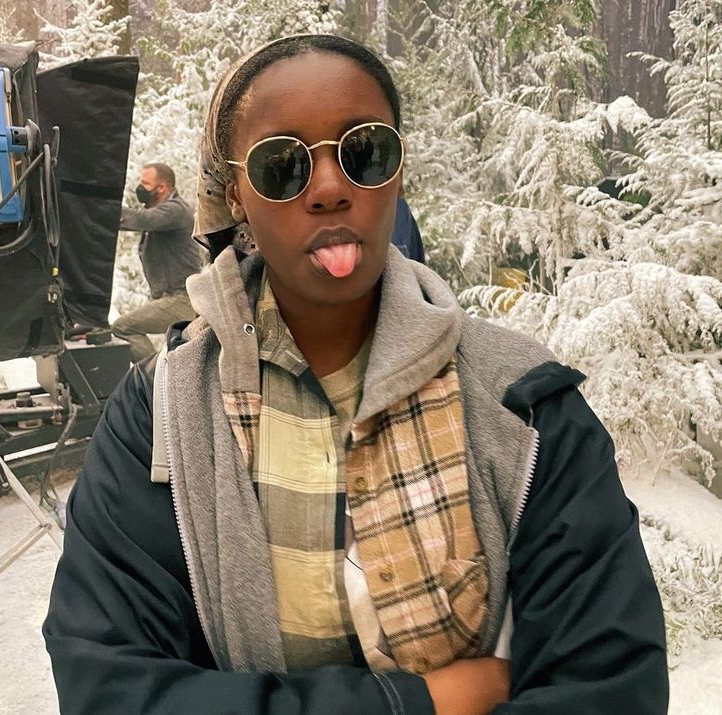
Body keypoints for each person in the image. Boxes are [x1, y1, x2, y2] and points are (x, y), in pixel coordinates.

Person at [43, 35, 668, 715]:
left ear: (396, 175)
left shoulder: (521, 402)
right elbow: (108, 687)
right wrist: (418, 702)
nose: (332, 190)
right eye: (282, 167)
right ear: (237, 199)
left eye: (364, 152)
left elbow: (608, 686)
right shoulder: (161, 417)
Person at [111, 162, 204, 362]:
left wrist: (104, 208)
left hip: (182, 299)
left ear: (161, 188)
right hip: (170, 298)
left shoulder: (176, 210)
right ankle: (161, 378)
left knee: (123, 327)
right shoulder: (163, 211)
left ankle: (151, 379)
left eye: (145, 183)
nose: (140, 187)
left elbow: (142, 219)